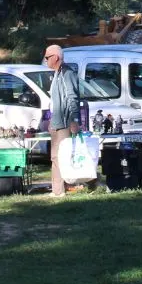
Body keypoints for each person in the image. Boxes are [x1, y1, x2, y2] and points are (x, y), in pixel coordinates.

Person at [43, 45, 81, 199]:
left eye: (47, 57)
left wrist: (74, 120)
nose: (45, 60)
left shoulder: (67, 73)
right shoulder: (57, 74)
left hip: (65, 122)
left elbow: (72, 98)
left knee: (63, 156)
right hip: (56, 122)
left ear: (56, 57)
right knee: (55, 157)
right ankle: (57, 189)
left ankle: (93, 181)